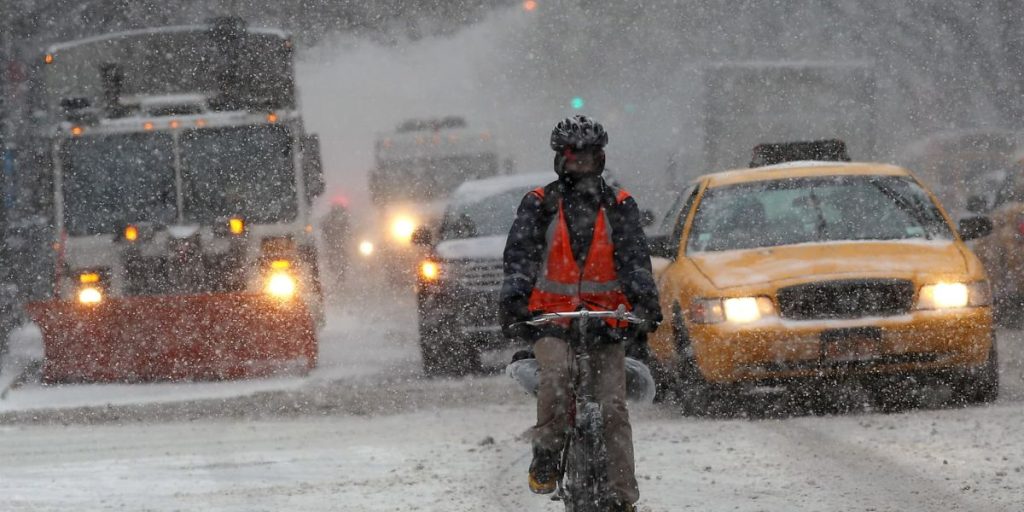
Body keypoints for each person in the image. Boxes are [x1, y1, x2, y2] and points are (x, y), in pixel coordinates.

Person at [499, 115, 662, 511]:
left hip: (607, 322)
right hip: (552, 321)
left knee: (613, 409)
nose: (582, 165)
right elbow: (520, 258)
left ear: (601, 158)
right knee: (555, 377)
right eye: (574, 157)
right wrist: (515, 303)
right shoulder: (539, 204)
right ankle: (547, 454)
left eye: (589, 157)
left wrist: (645, 303)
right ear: (560, 160)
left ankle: (623, 498)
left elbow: (636, 261)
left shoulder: (620, 206)